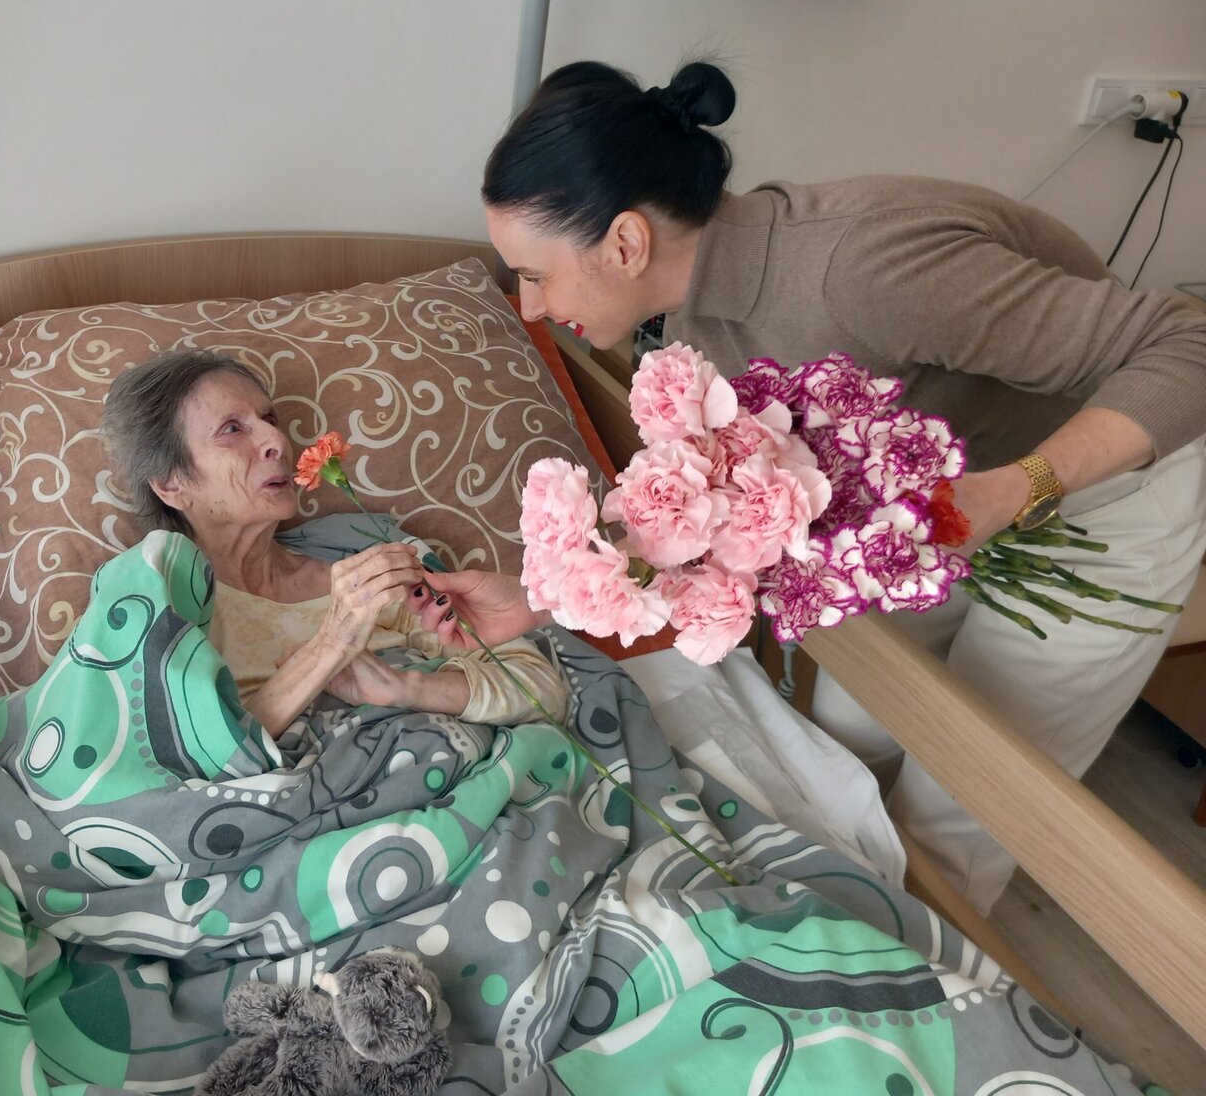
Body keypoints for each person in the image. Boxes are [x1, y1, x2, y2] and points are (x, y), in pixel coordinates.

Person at [420, 59, 1206, 914]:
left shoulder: (864, 269)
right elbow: (712, 514)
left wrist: (1019, 489)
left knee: (962, 807)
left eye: (535, 274)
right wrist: (547, 596)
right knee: (844, 737)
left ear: (625, 243)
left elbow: (1187, 345)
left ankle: (918, 963)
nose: (530, 307)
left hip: (1097, 490)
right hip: (937, 501)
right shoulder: (687, 322)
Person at [99, 349, 567, 740]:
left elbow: (543, 691)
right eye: (232, 429)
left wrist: (404, 688)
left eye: (269, 418)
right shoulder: (154, 605)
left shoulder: (368, 568)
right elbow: (175, 766)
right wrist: (332, 644)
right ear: (172, 484)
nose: (277, 440)